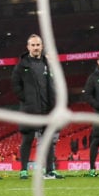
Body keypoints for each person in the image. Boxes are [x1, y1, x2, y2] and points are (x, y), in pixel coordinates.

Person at [11, 34, 62, 179]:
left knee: (48, 141)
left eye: (38, 45)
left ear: (42, 46)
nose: (35, 47)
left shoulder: (48, 64)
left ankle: (50, 170)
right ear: (28, 47)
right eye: (32, 45)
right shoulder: (22, 65)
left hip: (47, 109)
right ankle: (24, 170)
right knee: (27, 139)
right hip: (30, 110)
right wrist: (26, 100)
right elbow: (15, 85)